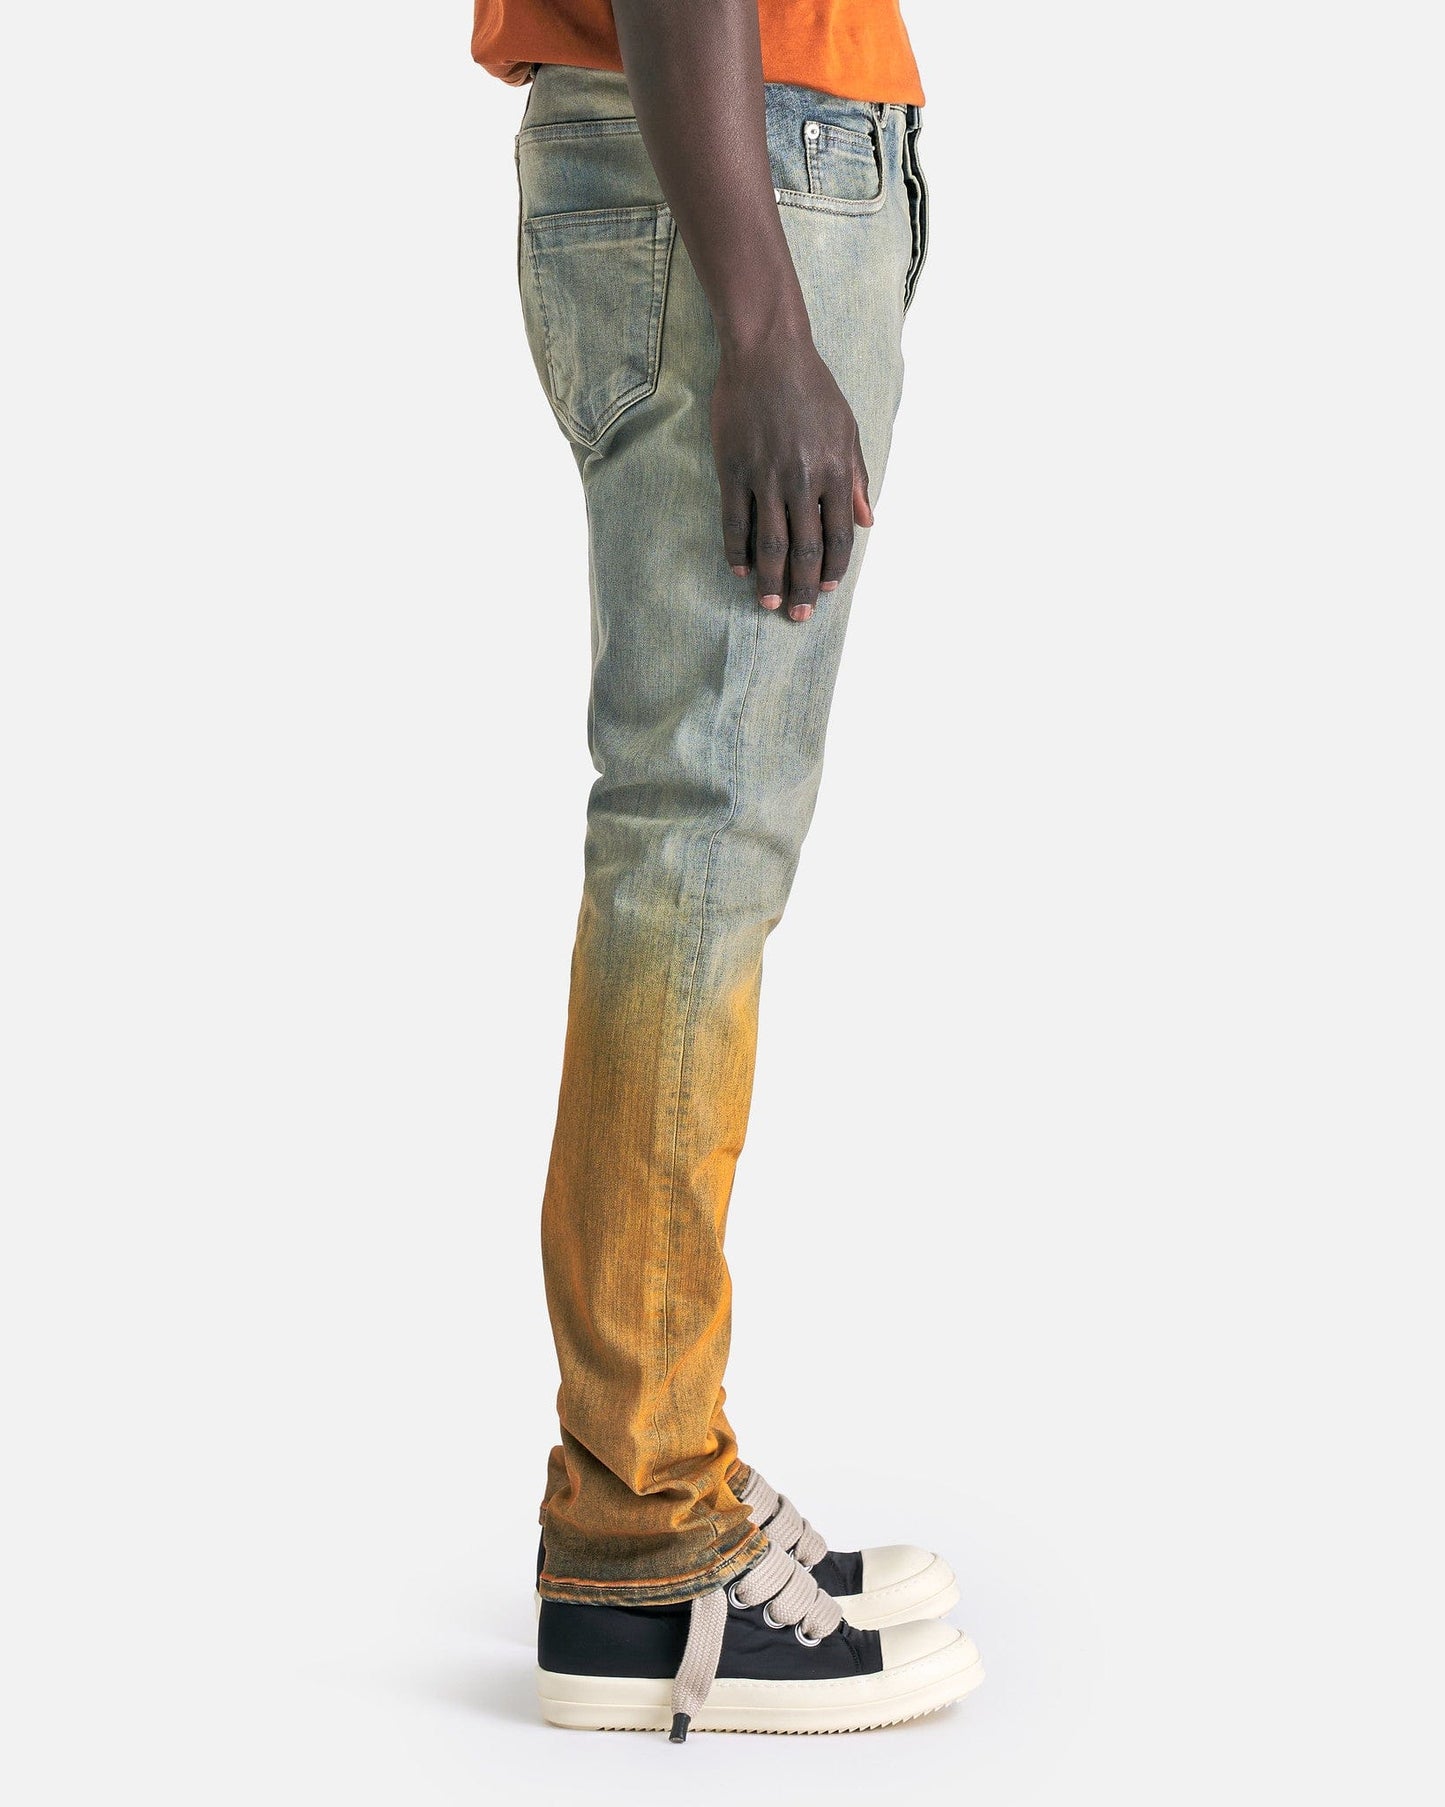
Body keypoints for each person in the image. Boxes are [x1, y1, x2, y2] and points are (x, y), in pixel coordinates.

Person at [473, 0, 983, 1738]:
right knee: (696, 833)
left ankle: (661, 1465)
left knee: (698, 834)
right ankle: (639, 1533)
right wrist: (765, 322)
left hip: (725, 159)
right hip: (733, 172)